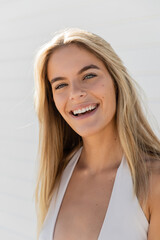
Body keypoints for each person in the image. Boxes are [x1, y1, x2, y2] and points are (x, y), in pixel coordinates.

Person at [34, 28, 160, 240]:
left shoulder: (153, 183)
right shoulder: (58, 172)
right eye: (61, 85)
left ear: (116, 81)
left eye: (89, 75)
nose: (75, 93)